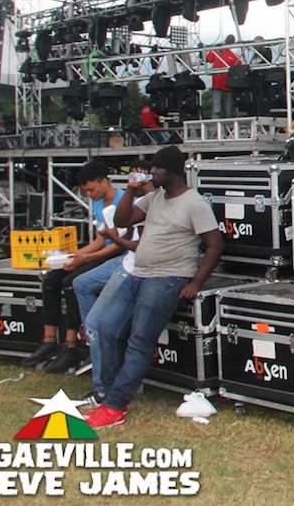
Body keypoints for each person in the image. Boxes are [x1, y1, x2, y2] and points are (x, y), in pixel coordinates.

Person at [85, 146, 224, 429]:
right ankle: (109, 395)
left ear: (172, 172)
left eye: (157, 169)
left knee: (139, 341)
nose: (152, 172)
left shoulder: (194, 203)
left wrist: (196, 282)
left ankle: (114, 406)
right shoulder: (154, 197)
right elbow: (123, 221)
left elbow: (215, 245)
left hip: (168, 277)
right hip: (138, 273)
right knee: (107, 328)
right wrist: (130, 189)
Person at [21, 161, 126, 374]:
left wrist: (85, 258)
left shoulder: (122, 201)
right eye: (85, 191)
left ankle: (72, 345)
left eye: (91, 189)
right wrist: (76, 254)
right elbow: (100, 239)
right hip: (98, 253)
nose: (89, 194)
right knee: (51, 279)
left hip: (117, 256)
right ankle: (49, 339)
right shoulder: (98, 204)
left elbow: (118, 245)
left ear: (104, 181)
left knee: (71, 283)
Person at [73, 160, 152, 409]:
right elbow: (127, 237)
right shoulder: (133, 201)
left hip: (139, 268)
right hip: (129, 264)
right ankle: (103, 373)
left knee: (103, 325)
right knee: (94, 315)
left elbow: (130, 244)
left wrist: (91, 253)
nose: (89, 195)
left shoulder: (155, 202)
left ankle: (108, 387)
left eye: (140, 179)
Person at [205, 35, 240, 118]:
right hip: (217, 87)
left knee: (227, 112)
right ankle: (216, 130)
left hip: (228, 87)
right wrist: (200, 50)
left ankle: (226, 130)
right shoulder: (216, 51)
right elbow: (204, 59)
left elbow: (239, 69)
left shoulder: (235, 56)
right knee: (217, 111)